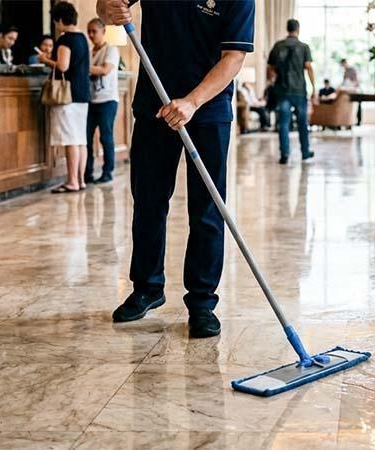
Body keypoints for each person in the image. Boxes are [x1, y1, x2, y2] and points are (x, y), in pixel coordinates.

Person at [97, 0, 253, 338]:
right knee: (149, 201)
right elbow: (105, 8)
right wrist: (109, 10)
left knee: (207, 209)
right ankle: (147, 288)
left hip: (208, 109)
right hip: (154, 105)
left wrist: (192, 101)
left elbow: (234, 58)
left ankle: (201, 302)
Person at [38, 3, 91, 194]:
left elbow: (62, 66)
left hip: (67, 95)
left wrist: (45, 60)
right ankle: (81, 180)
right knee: (80, 140)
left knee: (70, 139)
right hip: (83, 94)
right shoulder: (83, 38)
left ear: (60, 20)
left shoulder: (65, 40)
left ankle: (71, 181)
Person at [268, 19, 316, 165]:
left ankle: (285, 154)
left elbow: (270, 67)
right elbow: (308, 67)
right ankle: (305, 153)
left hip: (282, 90)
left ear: (287, 29)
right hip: (299, 91)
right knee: (302, 123)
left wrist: (273, 78)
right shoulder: (304, 47)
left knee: (283, 123)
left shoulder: (278, 46)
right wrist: (314, 88)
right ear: (298, 29)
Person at [84, 18, 121, 184]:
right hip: (90, 100)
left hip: (107, 100)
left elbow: (105, 70)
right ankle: (87, 173)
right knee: (86, 138)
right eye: (89, 31)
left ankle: (107, 172)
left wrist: (80, 66)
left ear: (103, 31)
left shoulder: (111, 50)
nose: (91, 35)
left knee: (106, 137)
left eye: (94, 31)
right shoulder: (89, 51)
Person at [340, 59, 361, 125]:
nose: (343, 66)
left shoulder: (352, 70)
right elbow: (344, 82)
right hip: (347, 90)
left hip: (354, 90)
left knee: (357, 105)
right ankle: (348, 121)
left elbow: (356, 81)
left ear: (345, 63)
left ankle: (358, 121)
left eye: (343, 64)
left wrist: (353, 86)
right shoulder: (345, 71)